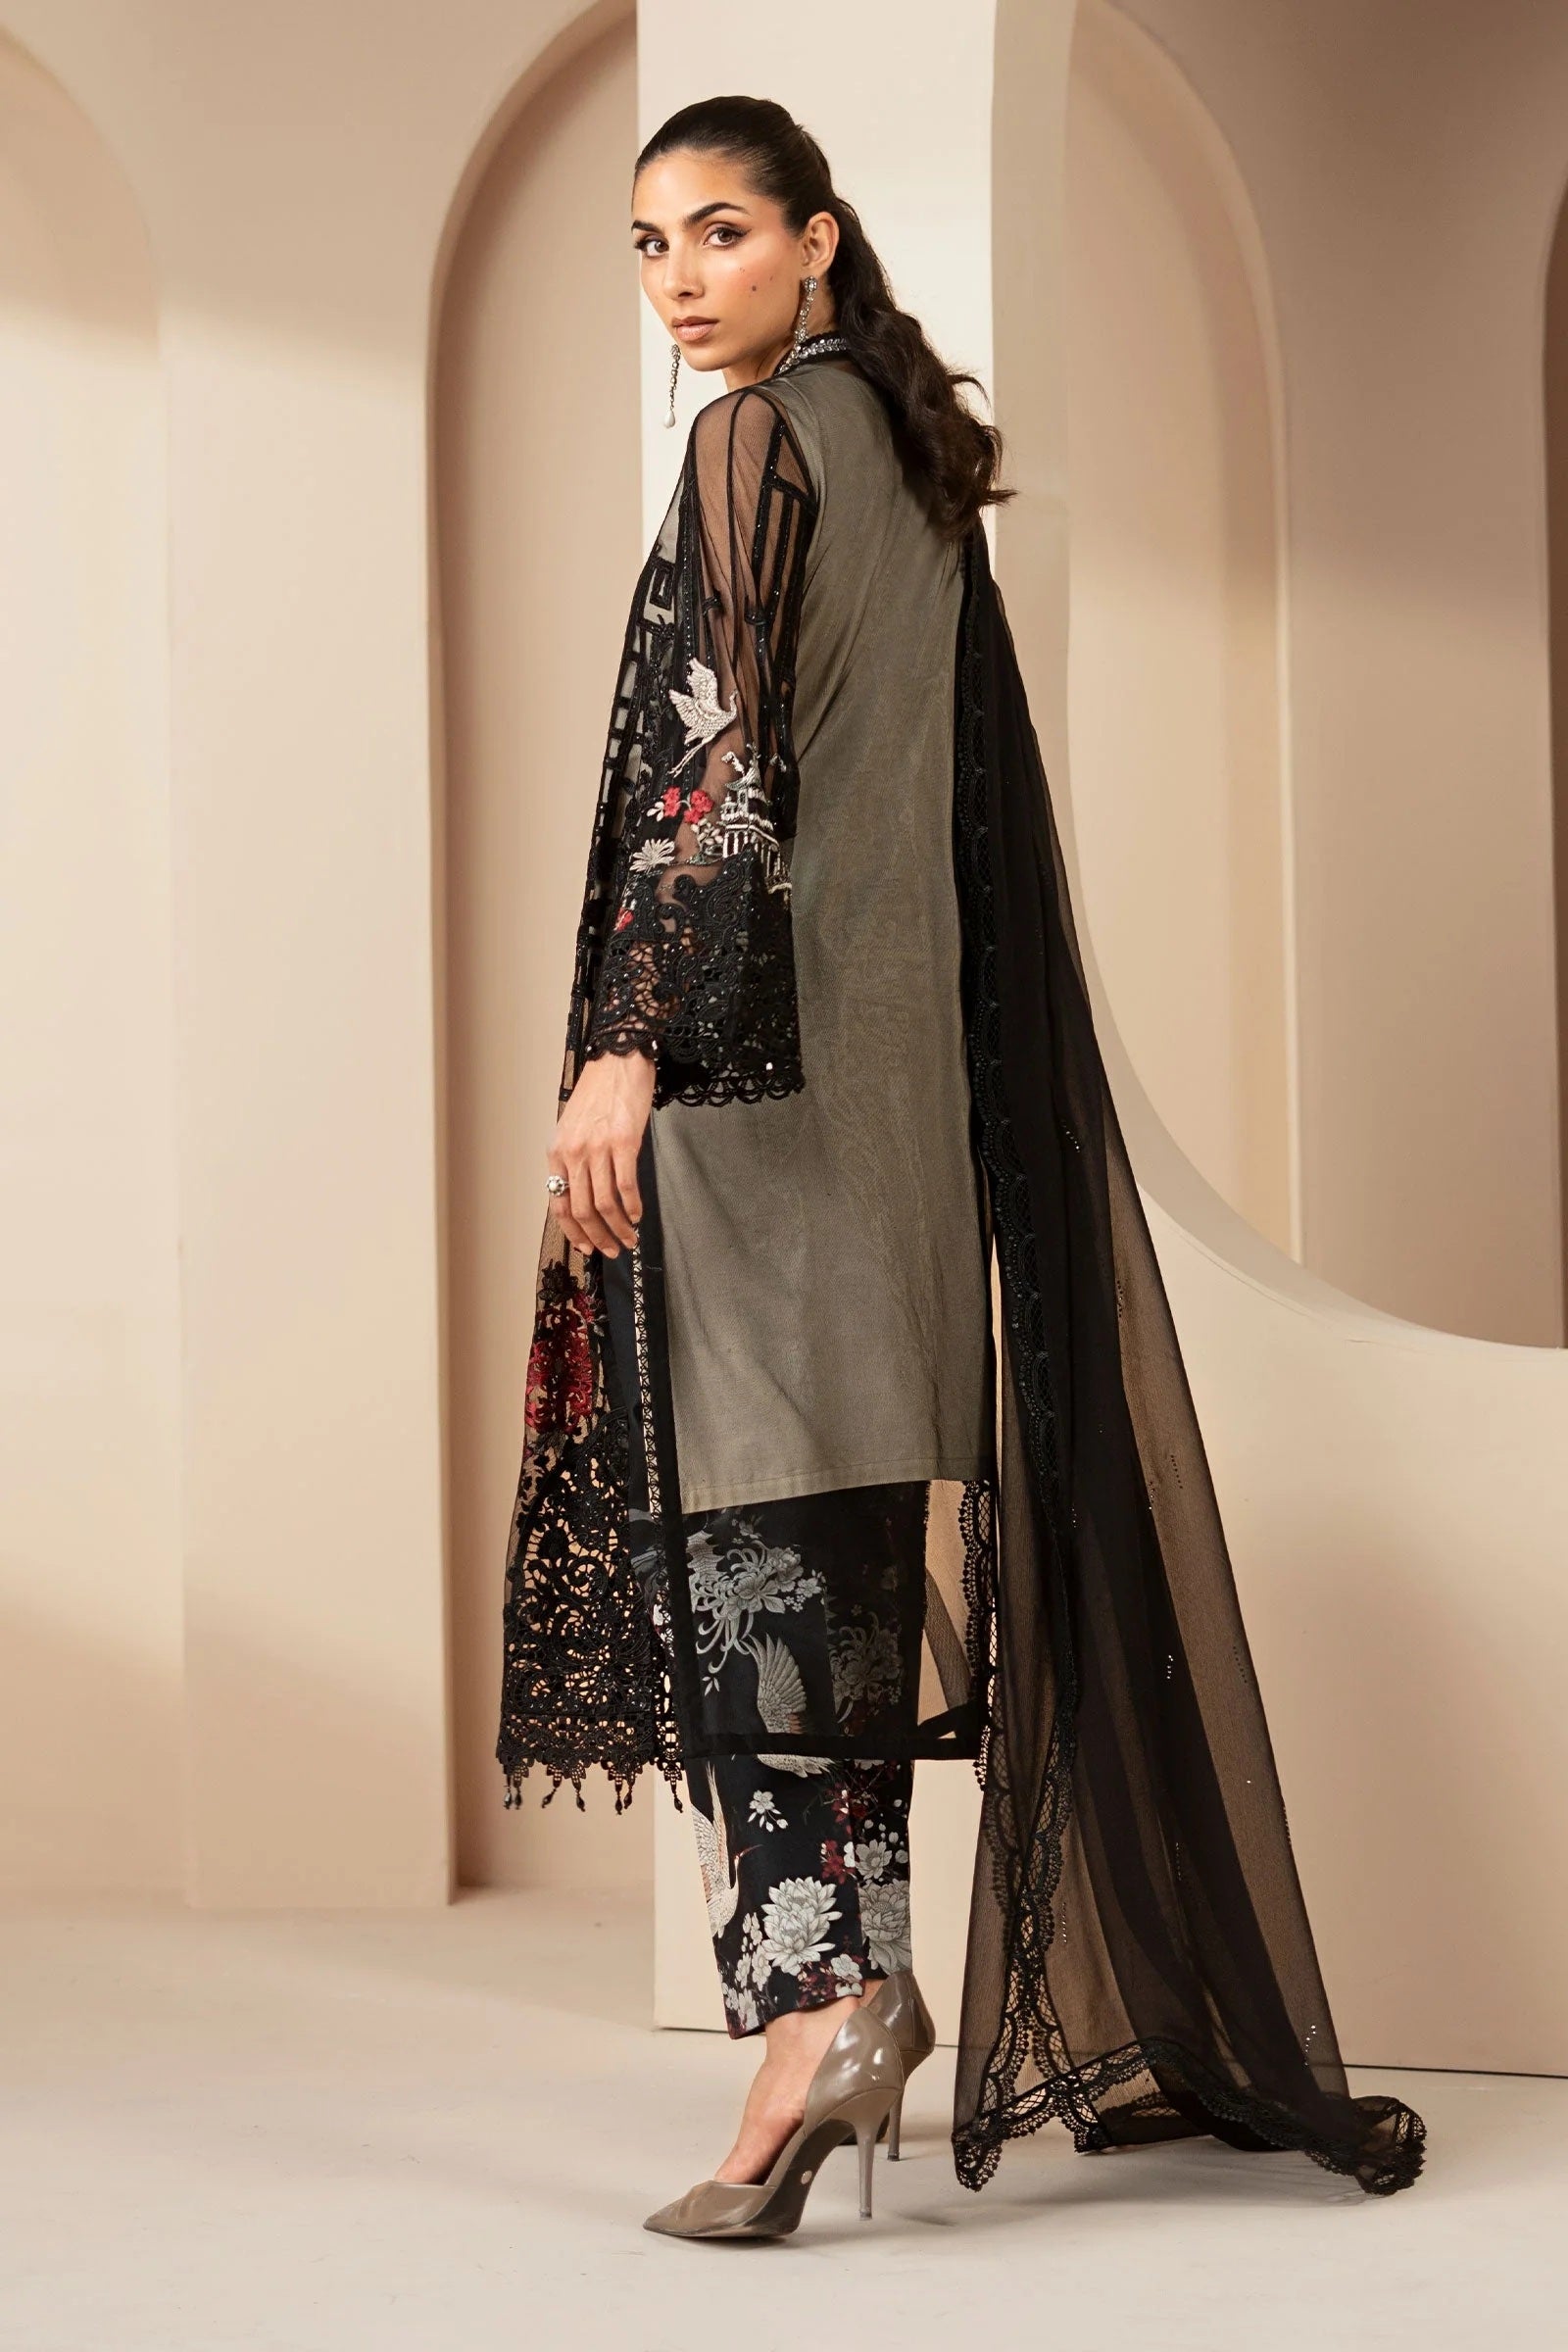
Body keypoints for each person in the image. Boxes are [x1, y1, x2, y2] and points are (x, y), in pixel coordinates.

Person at [497, 94, 1427, 2241]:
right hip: (902, 1119)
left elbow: (723, 766)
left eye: (720, 233)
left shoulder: (754, 442)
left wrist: (623, 1044)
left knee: (745, 1555)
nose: (679, 282)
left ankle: (815, 2023)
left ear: (815, 239)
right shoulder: (913, 465)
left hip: (756, 1097)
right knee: (815, 1559)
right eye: (648, 245)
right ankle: (846, 2002)